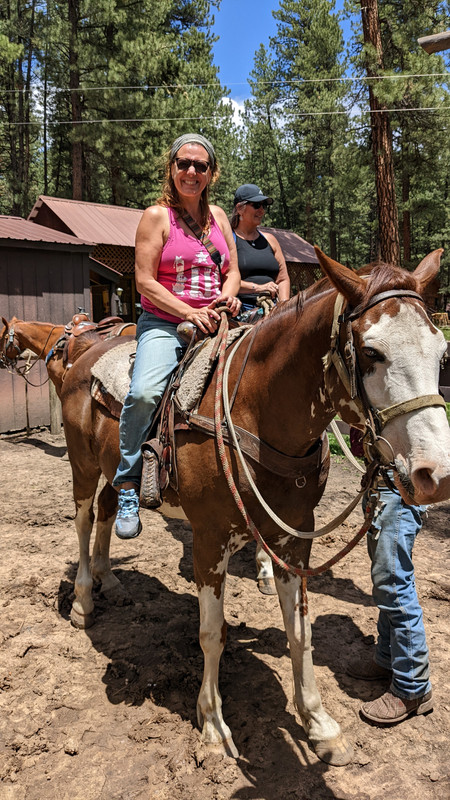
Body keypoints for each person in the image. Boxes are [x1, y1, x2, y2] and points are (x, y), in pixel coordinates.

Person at [113, 133, 241, 539]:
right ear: (172, 169)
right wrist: (189, 312)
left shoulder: (220, 217)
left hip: (218, 320)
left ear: (211, 173)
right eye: (184, 164)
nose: (191, 172)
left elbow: (233, 271)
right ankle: (129, 482)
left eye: (200, 166)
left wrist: (229, 295)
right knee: (145, 393)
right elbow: (144, 281)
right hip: (168, 322)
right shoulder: (156, 217)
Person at [347, 428, 432, 723]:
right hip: (384, 489)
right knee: (388, 585)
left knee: (394, 587)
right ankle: (386, 658)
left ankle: (413, 688)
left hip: (397, 491)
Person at [230, 184, 290, 312]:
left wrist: (284, 308)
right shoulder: (229, 240)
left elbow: (283, 278)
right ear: (240, 208)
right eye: (256, 205)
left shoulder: (270, 240)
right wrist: (258, 288)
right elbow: (224, 279)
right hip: (240, 309)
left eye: (264, 206)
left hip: (272, 308)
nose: (261, 210)